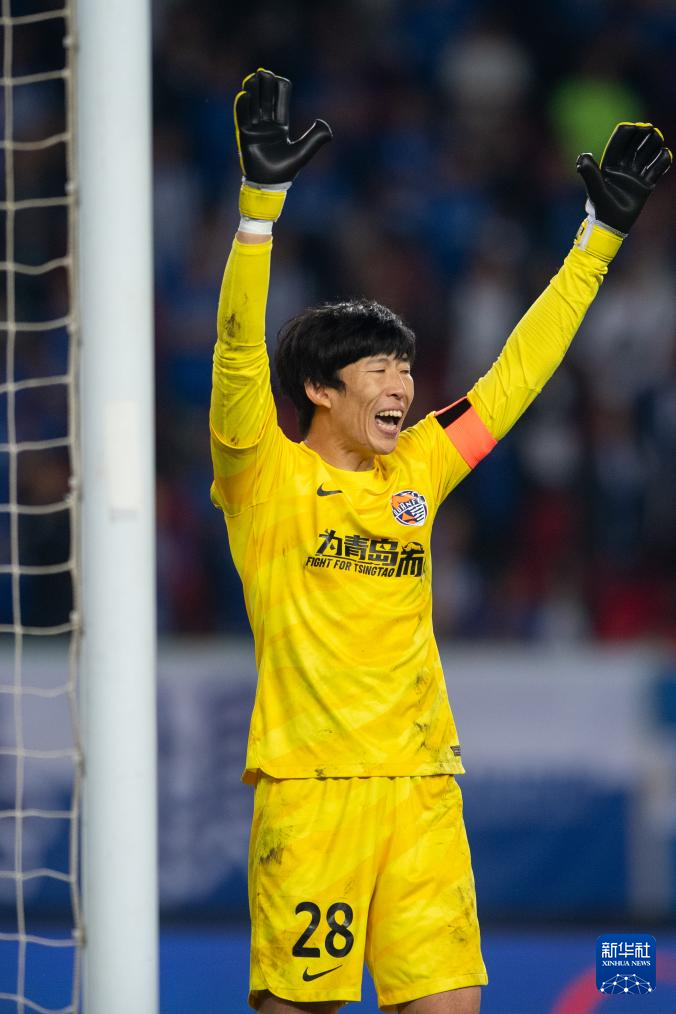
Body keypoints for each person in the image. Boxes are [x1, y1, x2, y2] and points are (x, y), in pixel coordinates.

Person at [210, 69, 671, 1014]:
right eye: (378, 369)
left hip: (423, 783)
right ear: (320, 391)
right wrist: (259, 210)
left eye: (406, 368)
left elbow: (515, 376)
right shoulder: (264, 474)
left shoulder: (418, 466)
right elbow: (237, 355)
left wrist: (599, 241)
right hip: (314, 789)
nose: (401, 386)